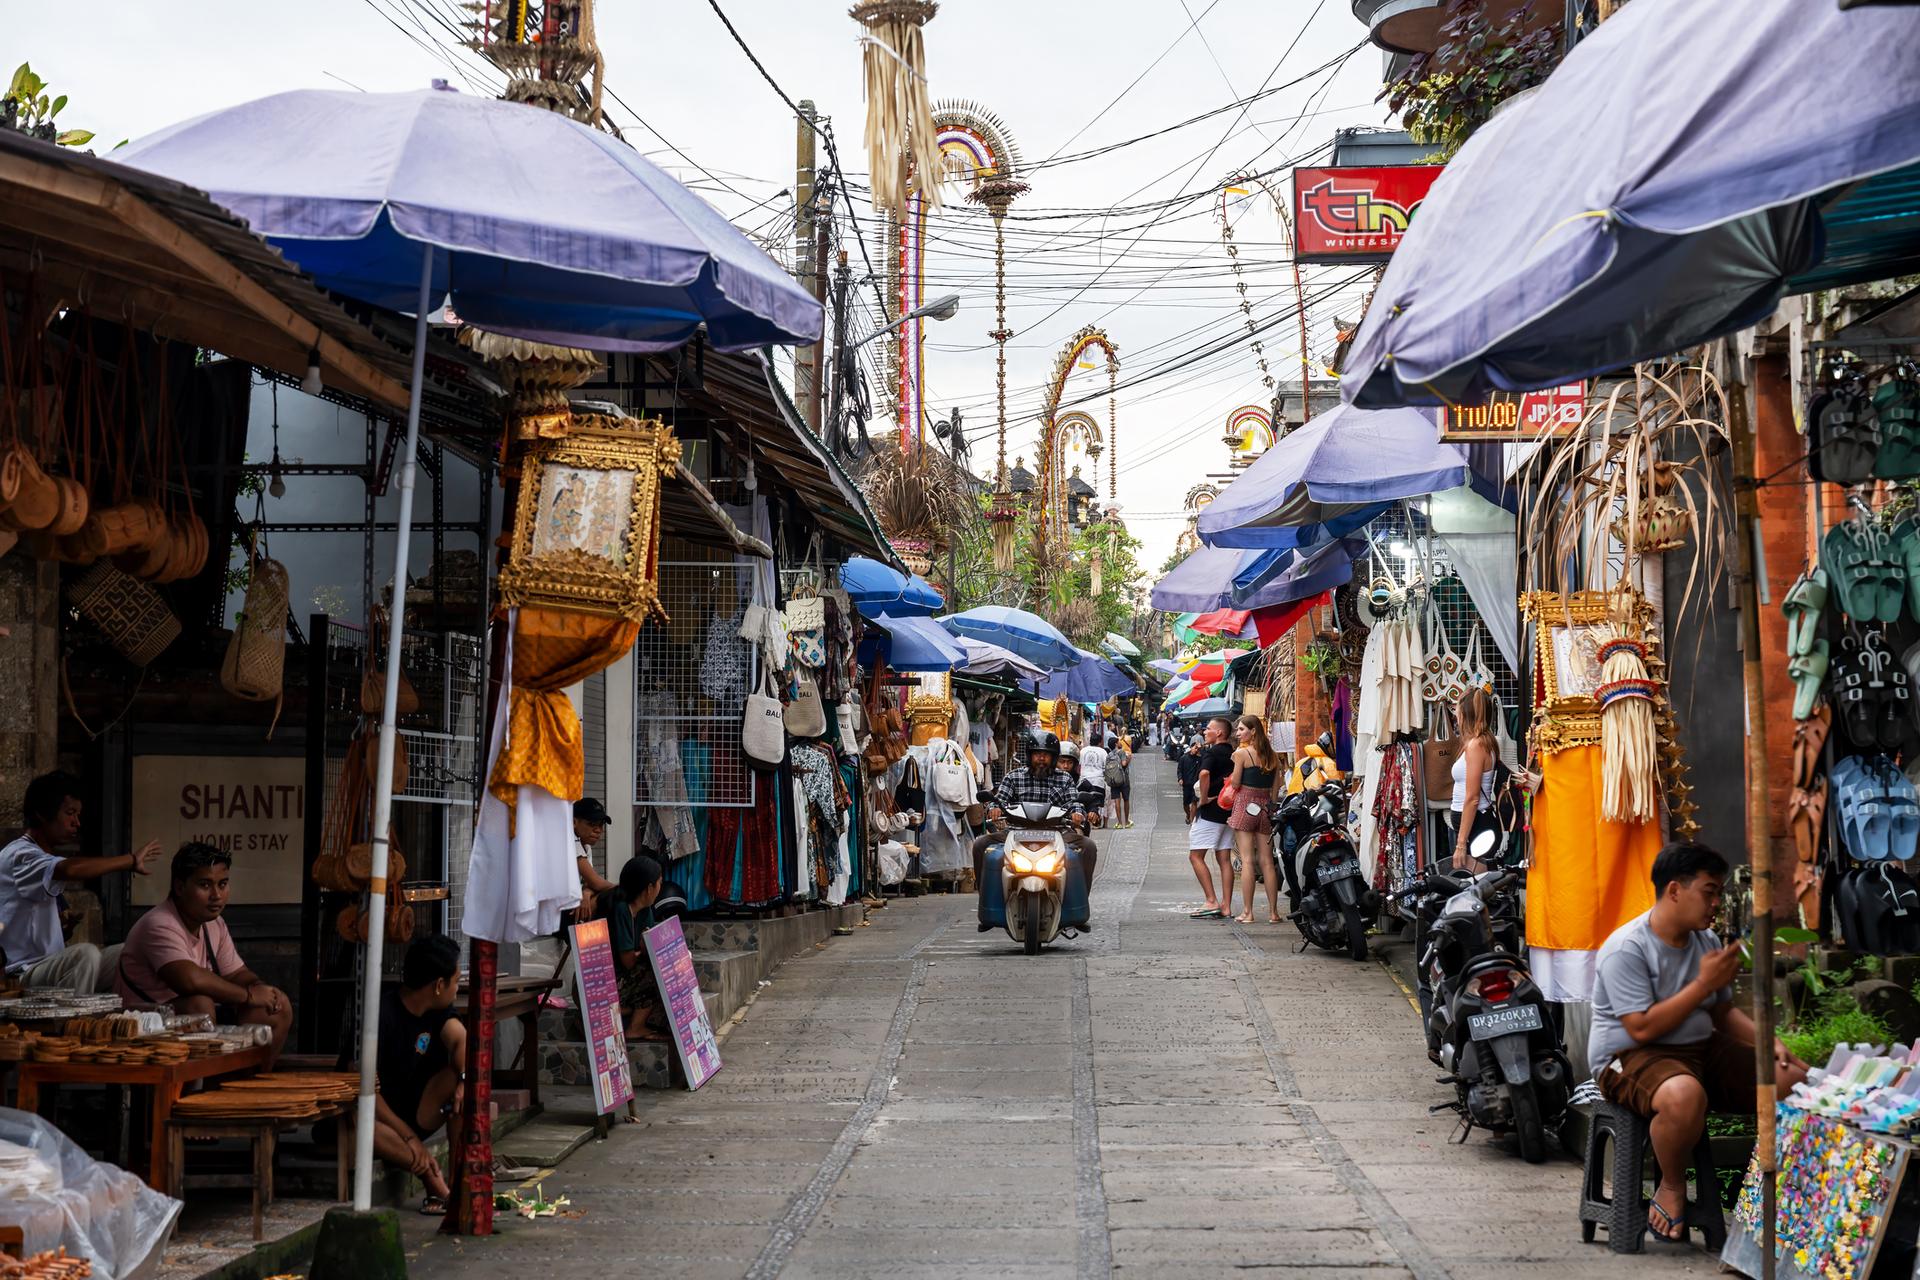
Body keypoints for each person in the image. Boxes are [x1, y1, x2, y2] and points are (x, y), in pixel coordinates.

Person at [1589, 842, 1808, 1242]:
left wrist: (1768, 1042)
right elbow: (1641, 1028)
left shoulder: (1705, 942)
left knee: (1791, 1079)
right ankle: (1672, 1184)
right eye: (1710, 892)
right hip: (1628, 1057)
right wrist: (1703, 983)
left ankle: (1783, 1198)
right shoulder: (1627, 948)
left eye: (1719, 893)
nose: (1717, 903)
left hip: (1699, 1049)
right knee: (1684, 1096)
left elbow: (1722, 1012)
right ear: (1674, 890)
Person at [113, 842, 293, 1065]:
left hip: (195, 1016)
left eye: (222, 884)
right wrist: (248, 995)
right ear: (180, 887)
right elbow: (189, 980)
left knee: (275, 1007)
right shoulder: (159, 923)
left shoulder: (214, 923)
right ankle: (198, 1086)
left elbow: (237, 973)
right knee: (199, 1008)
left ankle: (247, 1084)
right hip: (141, 1022)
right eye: (205, 885)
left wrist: (260, 989)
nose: (216, 895)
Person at [0, 771, 162, 991]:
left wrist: (60, 930)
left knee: (133, 952)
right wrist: (131, 860)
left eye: (78, 814)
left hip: (50, 965)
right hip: (22, 973)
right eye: (70, 813)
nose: (76, 822)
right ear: (42, 814)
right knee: (85, 954)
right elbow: (71, 869)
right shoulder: (20, 854)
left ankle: (137, 1011)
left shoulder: (40, 856)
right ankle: (77, 1015)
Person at [373, 934, 466, 1216]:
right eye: (456, 981)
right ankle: (432, 1179)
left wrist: (464, 1081)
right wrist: (408, 1136)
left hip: (415, 1109)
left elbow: (462, 1040)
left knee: (465, 1086)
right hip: (378, 1118)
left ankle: (457, 1183)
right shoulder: (382, 1014)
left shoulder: (438, 1010)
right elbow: (364, 1092)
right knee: (361, 1124)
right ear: (438, 985)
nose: (458, 987)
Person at [971, 731, 1089, 887]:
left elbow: (1074, 802)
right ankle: (983, 891)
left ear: (1053, 757)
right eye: (1037, 754)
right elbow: (999, 800)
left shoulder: (1065, 779)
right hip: (1016, 831)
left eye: (1046, 755)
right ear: (1029, 755)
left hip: (1057, 832)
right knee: (980, 844)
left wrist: (1077, 813)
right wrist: (994, 808)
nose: (1041, 758)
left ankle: (1081, 895)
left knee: (1089, 847)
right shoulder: (1014, 776)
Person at [603, 855, 668, 1041]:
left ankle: (628, 1011)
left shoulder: (645, 910)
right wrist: (643, 950)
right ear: (649, 888)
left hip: (627, 977)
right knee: (651, 973)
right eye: (659, 883)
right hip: (609, 981)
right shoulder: (621, 910)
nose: (660, 888)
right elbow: (628, 961)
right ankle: (635, 1027)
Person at [1228, 716, 1282, 925]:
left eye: (1241, 729)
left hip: (1245, 804)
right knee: (1267, 861)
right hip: (1266, 806)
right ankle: (1273, 913)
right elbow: (1276, 790)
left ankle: (1248, 912)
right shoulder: (1273, 756)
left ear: (1253, 731)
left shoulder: (1241, 754)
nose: (1238, 733)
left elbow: (1235, 783)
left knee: (1247, 860)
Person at [1187, 717, 1237, 919]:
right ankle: (1226, 906)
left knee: (1195, 856)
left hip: (1211, 812)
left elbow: (1204, 774)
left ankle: (1211, 900)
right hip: (1228, 810)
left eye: (1208, 729)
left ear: (1219, 733)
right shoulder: (1233, 753)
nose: (1205, 732)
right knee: (1224, 858)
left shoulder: (1212, 752)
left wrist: (1204, 798)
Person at [1449, 688, 1501, 871]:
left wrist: (1461, 844)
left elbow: (1472, 798)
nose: (1456, 715)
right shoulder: (1481, 742)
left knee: (1474, 883)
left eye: (1457, 710)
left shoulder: (1476, 745)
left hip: (1475, 825)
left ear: (1465, 714)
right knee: (1473, 881)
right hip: (1473, 824)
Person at [572, 797, 615, 921]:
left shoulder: (585, 846)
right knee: (614, 897)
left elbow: (589, 883)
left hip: (574, 904)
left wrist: (586, 893)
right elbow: (596, 883)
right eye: (592, 824)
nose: (598, 830)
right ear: (574, 822)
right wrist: (625, 889)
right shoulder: (569, 841)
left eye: (601, 825)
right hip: (557, 911)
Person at [1078, 736, 1110, 828]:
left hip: (1084, 779)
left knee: (1084, 800)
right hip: (1097, 780)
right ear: (1099, 742)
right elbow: (1106, 766)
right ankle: (1096, 822)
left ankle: (1085, 821)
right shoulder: (1102, 752)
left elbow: (1079, 764)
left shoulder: (1083, 751)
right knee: (1098, 802)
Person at [1105, 733, 1134, 829]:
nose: (1120, 743)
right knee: (1126, 799)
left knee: (1117, 800)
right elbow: (1124, 764)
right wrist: (1128, 759)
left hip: (1113, 780)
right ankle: (1126, 821)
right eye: (1119, 742)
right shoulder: (1121, 752)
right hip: (1123, 779)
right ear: (1116, 744)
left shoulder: (1109, 755)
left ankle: (1119, 823)